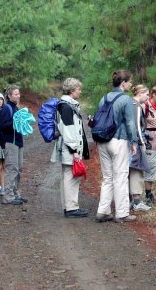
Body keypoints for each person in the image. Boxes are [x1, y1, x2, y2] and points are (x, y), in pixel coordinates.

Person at [95, 70, 138, 223]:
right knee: (120, 177)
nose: (131, 84)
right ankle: (122, 213)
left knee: (107, 178)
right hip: (119, 140)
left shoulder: (104, 98)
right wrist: (134, 141)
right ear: (123, 83)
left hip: (102, 140)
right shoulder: (125, 99)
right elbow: (130, 123)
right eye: (130, 81)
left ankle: (103, 211)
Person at [50, 78, 90, 218]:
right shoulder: (66, 106)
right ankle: (71, 208)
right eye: (78, 89)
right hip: (69, 148)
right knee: (71, 176)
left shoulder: (66, 105)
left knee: (69, 175)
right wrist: (74, 150)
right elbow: (67, 130)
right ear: (72, 90)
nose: (80, 91)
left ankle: (70, 206)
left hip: (68, 147)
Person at [0, 85, 27, 205]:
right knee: (12, 169)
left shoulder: (15, 108)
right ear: (9, 96)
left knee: (18, 169)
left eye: (19, 93)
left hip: (18, 142)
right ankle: (8, 197)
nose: (18, 96)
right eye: (16, 94)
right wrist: (16, 121)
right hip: (10, 142)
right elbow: (3, 125)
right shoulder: (6, 108)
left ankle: (15, 194)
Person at [129, 84, 151, 212]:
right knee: (137, 170)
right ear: (140, 93)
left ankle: (130, 200)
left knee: (128, 171)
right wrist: (142, 143)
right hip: (135, 143)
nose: (148, 98)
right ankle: (137, 201)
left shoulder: (129, 103)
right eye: (147, 94)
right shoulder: (136, 106)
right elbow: (137, 126)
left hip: (127, 142)